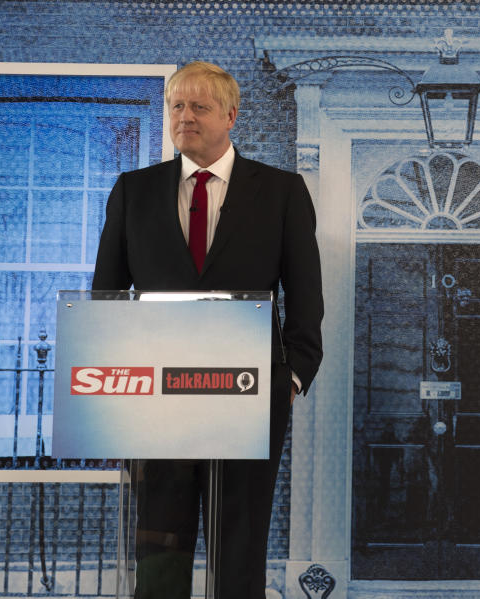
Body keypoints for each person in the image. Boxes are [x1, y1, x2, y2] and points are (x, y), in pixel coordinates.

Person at [92, 61, 323, 598]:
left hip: (250, 398)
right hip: (155, 403)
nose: (185, 116)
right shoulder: (133, 191)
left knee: (239, 548)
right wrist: (106, 399)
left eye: (199, 106)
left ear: (231, 115)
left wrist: (290, 379)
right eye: (176, 105)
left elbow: (305, 295)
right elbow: (106, 300)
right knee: (159, 550)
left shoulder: (283, 192)